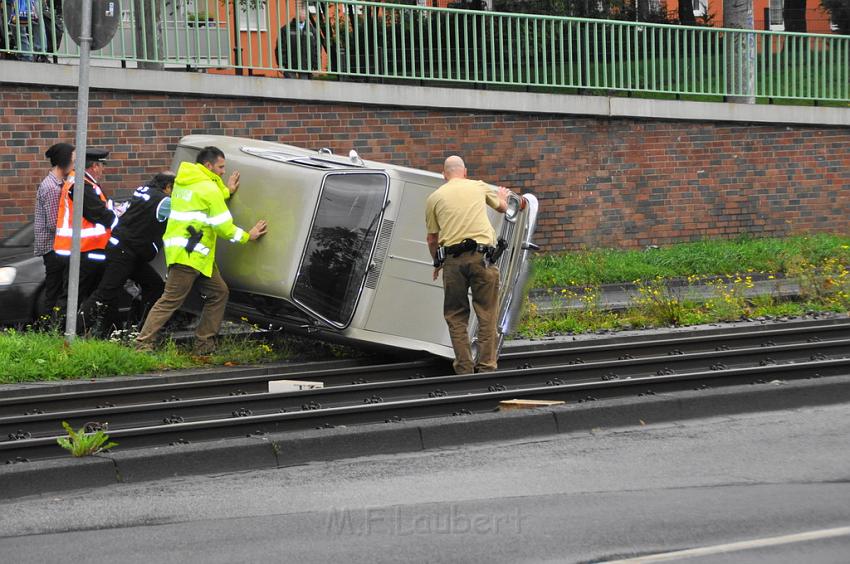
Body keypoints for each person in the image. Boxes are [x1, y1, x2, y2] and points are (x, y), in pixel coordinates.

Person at [135, 147, 268, 355]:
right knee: (170, 300)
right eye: (221, 167)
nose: (224, 171)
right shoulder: (208, 189)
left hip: (191, 254)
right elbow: (223, 227)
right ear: (209, 166)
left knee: (219, 292)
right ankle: (142, 345)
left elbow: (204, 198)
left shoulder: (184, 182)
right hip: (192, 255)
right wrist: (247, 236)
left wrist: (226, 191)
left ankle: (204, 345)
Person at [425, 155, 510, 375]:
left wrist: (437, 262)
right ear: (465, 172)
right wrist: (502, 196)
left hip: (453, 262)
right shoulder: (478, 186)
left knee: (456, 315)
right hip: (483, 259)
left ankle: (464, 368)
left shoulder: (434, 198)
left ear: (444, 174)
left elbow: (432, 239)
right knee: (487, 313)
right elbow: (502, 208)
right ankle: (487, 367)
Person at [78, 171, 176, 336]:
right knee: (105, 293)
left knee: (153, 284)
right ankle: (74, 331)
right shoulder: (164, 201)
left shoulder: (144, 191)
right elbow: (186, 214)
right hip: (125, 252)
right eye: (176, 189)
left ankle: (140, 328)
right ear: (168, 187)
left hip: (127, 249)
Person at [53, 148, 116, 305]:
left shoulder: (82, 182)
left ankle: (81, 326)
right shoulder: (81, 185)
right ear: (94, 166)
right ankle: (62, 328)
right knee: (74, 294)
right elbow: (99, 214)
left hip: (82, 249)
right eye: (102, 166)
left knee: (83, 293)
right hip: (82, 249)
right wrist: (119, 221)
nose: (103, 169)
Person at [34, 142, 73, 315]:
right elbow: (53, 223)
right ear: (64, 160)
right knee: (54, 290)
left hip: (56, 246)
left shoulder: (60, 183)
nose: (75, 164)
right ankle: (49, 328)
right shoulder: (51, 187)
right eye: (73, 160)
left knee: (56, 288)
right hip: (52, 247)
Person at [274, 3, 319, 79]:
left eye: (304, 12)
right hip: (289, 65)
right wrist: (281, 64)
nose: (302, 15)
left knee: (305, 88)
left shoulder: (312, 30)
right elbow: (280, 48)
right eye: (300, 12)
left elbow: (316, 49)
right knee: (291, 88)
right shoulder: (285, 29)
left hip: (306, 66)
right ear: (296, 14)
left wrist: (316, 66)